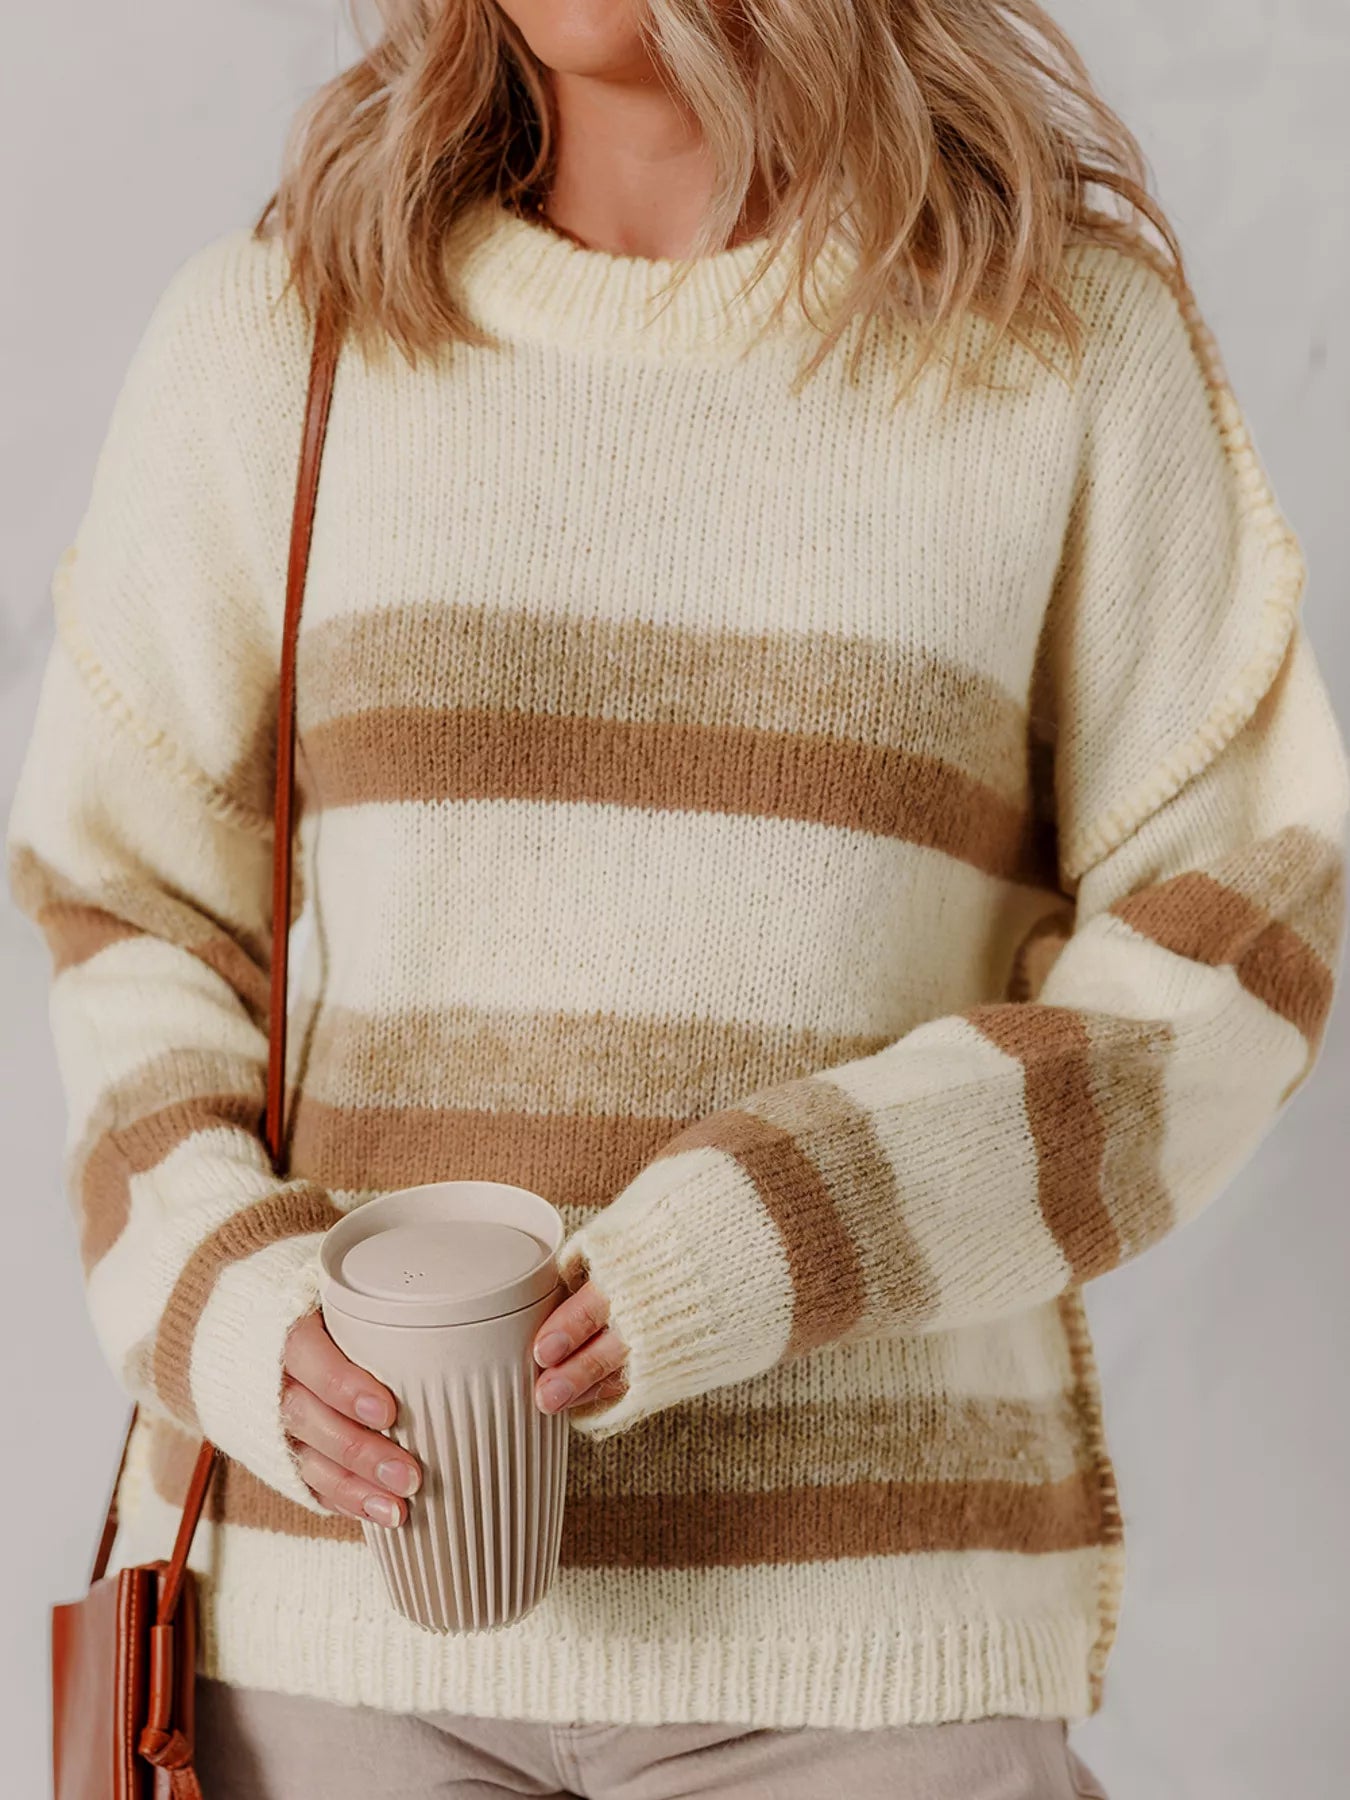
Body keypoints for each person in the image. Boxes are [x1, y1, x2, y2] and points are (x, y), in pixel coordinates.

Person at [8, 0, 1347, 1795]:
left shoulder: (1054, 341)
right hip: (333, 1627)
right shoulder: (282, 335)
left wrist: (788, 1218)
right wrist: (233, 1304)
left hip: (865, 1645)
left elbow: (1238, 940)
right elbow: (121, 905)